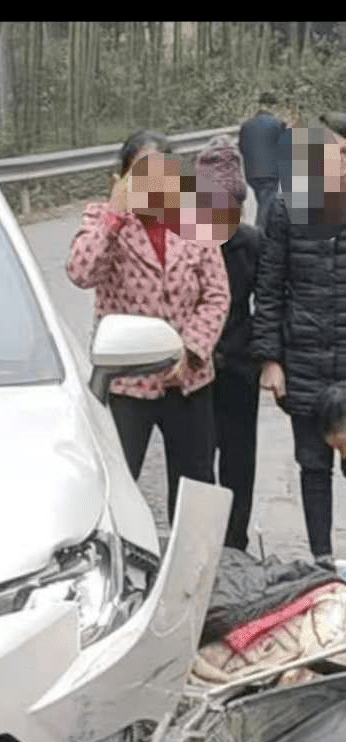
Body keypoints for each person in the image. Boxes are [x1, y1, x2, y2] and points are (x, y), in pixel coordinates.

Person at [66, 129, 231, 527]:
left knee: (196, 486)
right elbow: (81, 272)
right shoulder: (103, 221)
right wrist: (114, 214)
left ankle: (192, 570)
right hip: (127, 383)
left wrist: (191, 350)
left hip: (187, 379)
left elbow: (216, 294)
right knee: (117, 484)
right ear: (122, 177)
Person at [252, 121, 346, 568]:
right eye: (337, 155)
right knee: (313, 466)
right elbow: (268, 290)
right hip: (302, 357)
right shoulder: (286, 210)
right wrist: (270, 360)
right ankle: (322, 560)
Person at [195, 135, 263, 553]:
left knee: (240, 459)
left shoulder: (252, 242)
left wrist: (262, 354)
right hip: (197, 364)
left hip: (239, 361)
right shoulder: (188, 241)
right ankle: (203, 542)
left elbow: (267, 299)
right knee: (198, 461)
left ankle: (235, 542)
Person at [239, 95, 290, 233]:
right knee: (266, 205)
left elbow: (241, 147)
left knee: (263, 201)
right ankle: (261, 234)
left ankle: (263, 232)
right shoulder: (278, 123)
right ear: (272, 106)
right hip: (270, 172)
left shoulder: (246, 125)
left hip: (251, 173)